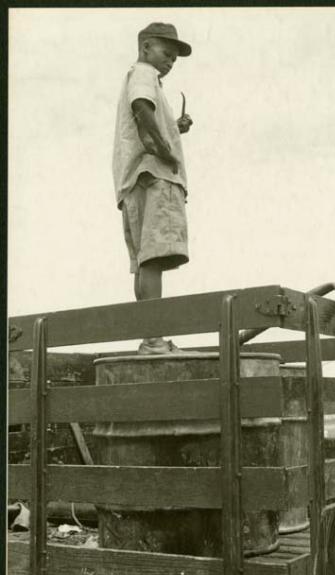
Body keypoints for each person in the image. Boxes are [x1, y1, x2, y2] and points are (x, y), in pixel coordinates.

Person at [112, 22, 193, 354]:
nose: (171, 61)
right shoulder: (144, 73)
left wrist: (173, 129)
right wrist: (163, 148)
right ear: (145, 47)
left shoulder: (137, 76)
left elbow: (143, 117)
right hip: (154, 175)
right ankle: (154, 339)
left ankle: (150, 337)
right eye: (166, 53)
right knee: (155, 257)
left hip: (134, 177)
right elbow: (142, 108)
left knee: (145, 259)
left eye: (174, 58)